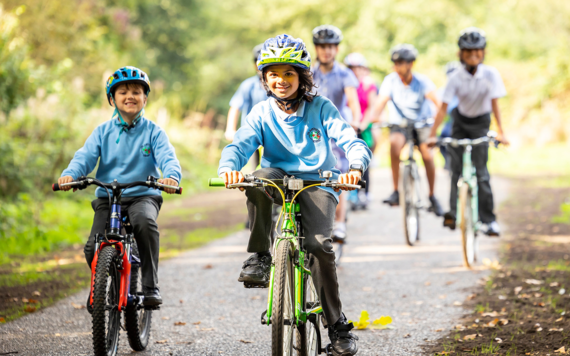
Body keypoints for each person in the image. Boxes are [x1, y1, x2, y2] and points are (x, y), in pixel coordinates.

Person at [218, 34, 370, 355]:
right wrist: (229, 168)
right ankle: (260, 255)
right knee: (257, 178)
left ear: (303, 76)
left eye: (289, 73)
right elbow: (240, 144)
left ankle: (337, 326)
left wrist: (355, 167)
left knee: (318, 246)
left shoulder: (322, 107)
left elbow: (350, 139)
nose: (281, 80)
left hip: (317, 182)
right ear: (264, 78)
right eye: (273, 73)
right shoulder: (261, 112)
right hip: (278, 179)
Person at [58, 66, 182, 308]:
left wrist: (171, 177)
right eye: (123, 92)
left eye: (136, 91)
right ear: (112, 99)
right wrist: (71, 174)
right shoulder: (102, 132)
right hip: (108, 196)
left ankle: (149, 286)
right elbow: (84, 157)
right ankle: (102, 285)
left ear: (145, 98)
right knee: (93, 246)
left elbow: (168, 158)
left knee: (144, 224)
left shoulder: (154, 132)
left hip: (142, 195)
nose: (130, 96)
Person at [427, 27, 509, 236]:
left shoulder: (491, 74)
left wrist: (501, 131)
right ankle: (453, 214)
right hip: (460, 123)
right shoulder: (455, 77)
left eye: (477, 51)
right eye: (468, 51)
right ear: (460, 54)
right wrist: (433, 134)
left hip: (481, 122)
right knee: (455, 171)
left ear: (483, 52)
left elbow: (495, 105)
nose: (473, 55)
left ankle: (489, 220)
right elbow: (443, 108)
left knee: (481, 174)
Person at [361, 44, 443, 216]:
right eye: (395, 63)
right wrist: (372, 119)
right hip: (400, 124)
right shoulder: (390, 81)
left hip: (422, 123)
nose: (397, 67)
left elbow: (438, 104)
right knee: (394, 146)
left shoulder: (422, 82)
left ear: (411, 64)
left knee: (427, 154)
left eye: (401, 63)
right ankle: (396, 191)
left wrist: (435, 123)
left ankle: (432, 195)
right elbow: (380, 103)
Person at [311, 25, 362, 239]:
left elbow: (352, 100)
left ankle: (340, 222)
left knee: (339, 175)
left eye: (331, 46)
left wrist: (356, 123)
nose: (326, 51)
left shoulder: (344, 73)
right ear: (316, 48)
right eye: (322, 46)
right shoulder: (308, 72)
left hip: (337, 130)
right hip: (312, 131)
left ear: (337, 49)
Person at [225, 44, 269, 168]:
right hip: (251, 135)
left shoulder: (277, 86)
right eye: (259, 63)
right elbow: (235, 107)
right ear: (255, 65)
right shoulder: (248, 85)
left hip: (272, 136)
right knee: (253, 171)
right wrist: (230, 129)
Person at [344, 52, 378, 207]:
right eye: (352, 68)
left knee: (364, 161)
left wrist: (362, 124)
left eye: (358, 68)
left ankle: (365, 193)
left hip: (363, 126)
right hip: (346, 125)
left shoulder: (368, 85)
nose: (355, 71)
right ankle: (350, 193)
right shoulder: (345, 83)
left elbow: (372, 107)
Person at [438, 61, 461, 170]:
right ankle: (447, 160)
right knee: (441, 139)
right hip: (449, 124)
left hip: (464, 122)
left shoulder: (464, 89)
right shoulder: (442, 91)